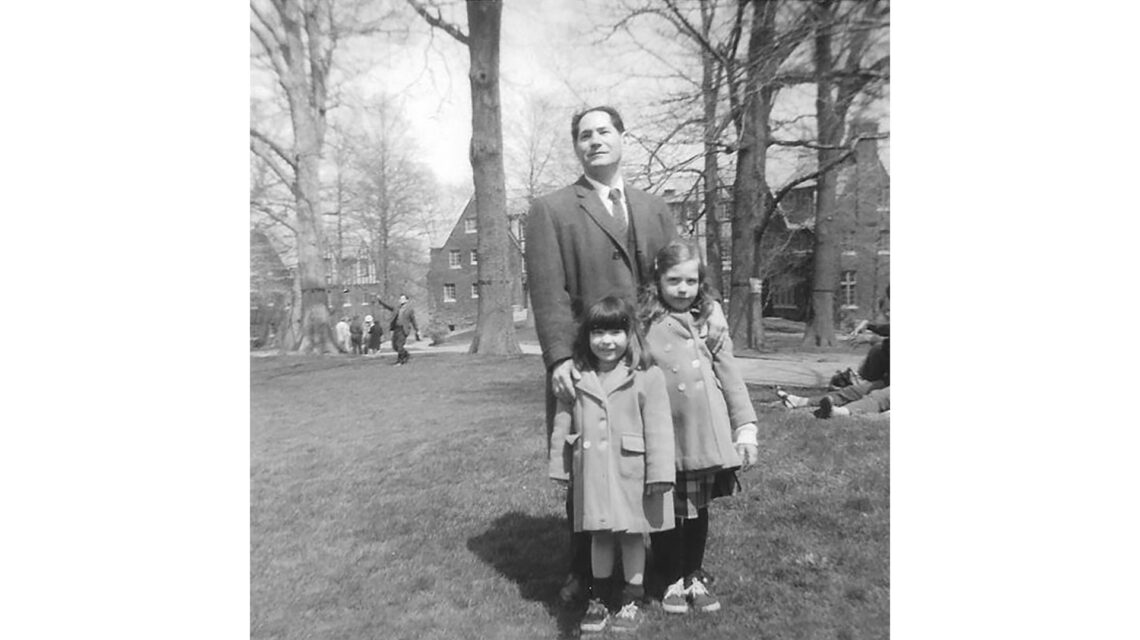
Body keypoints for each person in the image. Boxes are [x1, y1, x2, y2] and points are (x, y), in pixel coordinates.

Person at [525, 105, 685, 604]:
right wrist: (559, 359)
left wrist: (706, 316)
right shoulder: (551, 210)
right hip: (588, 362)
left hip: (651, 363)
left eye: (604, 131)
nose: (595, 141)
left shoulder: (654, 208)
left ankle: (667, 568)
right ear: (577, 147)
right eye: (584, 135)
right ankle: (585, 572)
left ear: (622, 137)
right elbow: (548, 293)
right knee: (588, 462)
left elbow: (681, 275)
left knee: (658, 456)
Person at [639, 240, 759, 614]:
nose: (683, 289)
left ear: (701, 281)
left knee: (697, 508)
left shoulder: (710, 318)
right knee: (665, 507)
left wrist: (746, 427)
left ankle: (692, 573)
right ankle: (670, 577)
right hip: (664, 433)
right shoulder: (645, 322)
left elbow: (729, 373)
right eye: (674, 280)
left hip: (703, 431)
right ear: (658, 280)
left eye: (691, 281)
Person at [548, 296, 675, 634]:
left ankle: (633, 598)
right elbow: (563, 423)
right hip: (591, 474)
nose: (606, 341)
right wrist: (560, 467)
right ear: (586, 336)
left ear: (630, 334)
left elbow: (660, 429)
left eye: (615, 332)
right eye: (598, 332)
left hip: (631, 473)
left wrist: (661, 473)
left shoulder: (646, 376)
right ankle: (600, 598)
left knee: (632, 537)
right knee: (600, 537)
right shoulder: (577, 376)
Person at [389, 294, 420, 365]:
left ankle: (400, 361)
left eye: (403, 299)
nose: (401, 300)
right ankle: (406, 354)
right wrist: (380, 301)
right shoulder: (397, 308)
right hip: (396, 328)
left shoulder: (409, 310)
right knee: (394, 346)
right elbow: (388, 307)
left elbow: (413, 320)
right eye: (400, 299)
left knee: (399, 345)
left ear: (406, 300)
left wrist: (417, 330)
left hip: (403, 329)